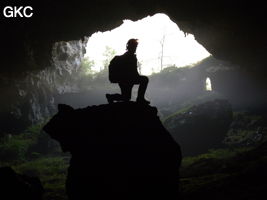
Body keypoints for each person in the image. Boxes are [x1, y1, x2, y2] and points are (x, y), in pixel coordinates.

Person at [106, 39, 150, 104]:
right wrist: (137, 78)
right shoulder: (130, 57)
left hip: (124, 80)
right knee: (144, 79)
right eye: (134, 46)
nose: (135, 48)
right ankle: (140, 98)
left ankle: (111, 97)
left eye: (135, 47)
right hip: (128, 80)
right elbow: (134, 72)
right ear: (129, 47)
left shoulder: (125, 57)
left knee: (126, 97)